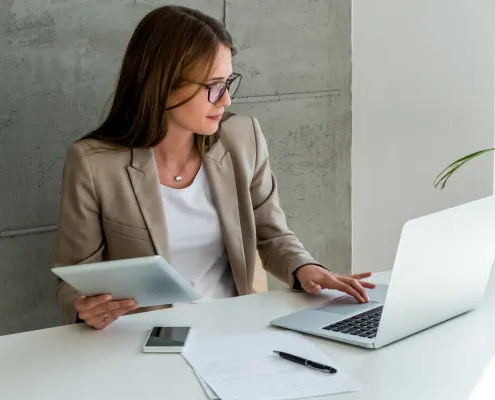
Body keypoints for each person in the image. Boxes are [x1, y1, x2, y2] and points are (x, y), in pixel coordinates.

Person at [54, 5, 374, 330]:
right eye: (214, 86)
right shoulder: (94, 164)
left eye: (228, 82)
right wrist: (86, 309)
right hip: (147, 341)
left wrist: (305, 269)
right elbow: (74, 280)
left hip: (238, 328)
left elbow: (272, 234)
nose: (226, 100)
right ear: (163, 85)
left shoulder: (242, 138)